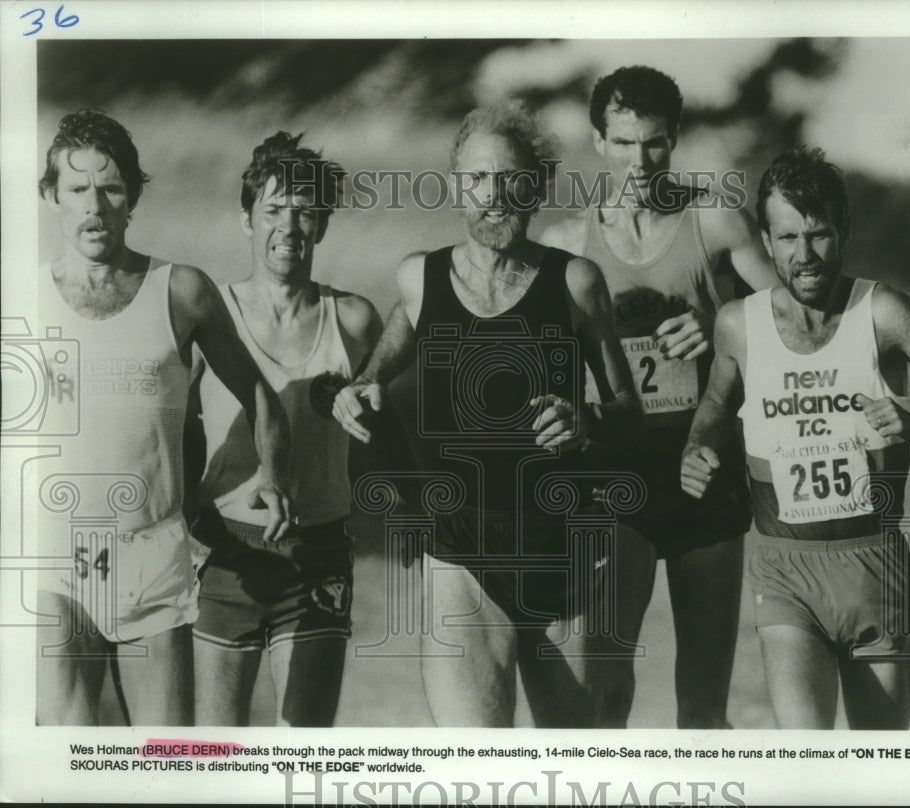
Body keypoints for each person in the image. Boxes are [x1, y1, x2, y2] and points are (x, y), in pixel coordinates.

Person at [333, 102, 645, 727]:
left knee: (578, 764)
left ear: (537, 186)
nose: (494, 195)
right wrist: (365, 382)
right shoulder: (421, 277)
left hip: (564, 552)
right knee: (476, 766)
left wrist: (585, 422)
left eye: (511, 178)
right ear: (456, 186)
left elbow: (627, 412)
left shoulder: (575, 282)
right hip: (462, 554)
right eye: (478, 178)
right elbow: (401, 332)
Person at [680, 146, 910, 729]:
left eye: (818, 235)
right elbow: (715, 402)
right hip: (785, 572)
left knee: (877, 769)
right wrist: (697, 445)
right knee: (805, 762)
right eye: (787, 239)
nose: (804, 256)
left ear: (845, 230)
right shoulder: (738, 322)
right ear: (765, 240)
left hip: (874, 566)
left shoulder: (881, 311)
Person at [34, 109, 292, 726]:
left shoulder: (181, 290)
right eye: (77, 189)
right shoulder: (20, 294)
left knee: (166, 763)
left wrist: (274, 476)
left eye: (112, 187)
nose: (94, 205)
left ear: (133, 198)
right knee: (65, 752)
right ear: (51, 197)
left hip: (152, 553)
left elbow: (261, 396)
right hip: (50, 551)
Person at [540, 65, 778, 728]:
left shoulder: (717, 225)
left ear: (674, 141)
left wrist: (719, 324)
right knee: (603, 695)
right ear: (597, 141)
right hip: (613, 480)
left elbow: (793, 331)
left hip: (706, 470)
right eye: (623, 143)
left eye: (654, 143)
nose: (639, 160)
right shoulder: (565, 246)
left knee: (703, 709)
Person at [186, 132, 381, 727]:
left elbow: (396, 420)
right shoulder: (209, 314)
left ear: (322, 225)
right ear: (246, 219)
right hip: (225, 553)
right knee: (214, 755)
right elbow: (170, 427)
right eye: (273, 210)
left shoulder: (351, 318)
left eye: (305, 212)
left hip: (318, 551)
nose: (288, 227)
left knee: (305, 746)